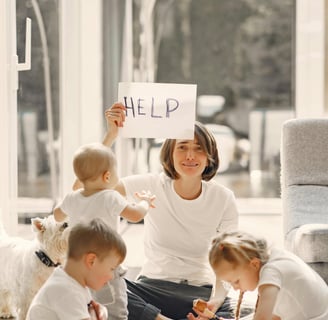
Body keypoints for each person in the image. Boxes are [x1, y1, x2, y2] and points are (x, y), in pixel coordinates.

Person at [103, 103, 243, 320]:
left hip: (201, 293)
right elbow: (89, 186)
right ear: (169, 152)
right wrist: (111, 136)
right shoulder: (151, 184)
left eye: (198, 149)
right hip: (151, 289)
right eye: (182, 147)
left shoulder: (223, 198)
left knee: (233, 312)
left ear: (209, 157)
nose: (190, 156)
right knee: (107, 286)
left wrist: (215, 303)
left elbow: (230, 261)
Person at [54, 142, 156, 320]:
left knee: (86, 306)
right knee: (115, 308)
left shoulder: (71, 198)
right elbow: (135, 215)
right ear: (107, 176)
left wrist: (64, 204)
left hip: (78, 266)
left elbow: (57, 215)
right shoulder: (110, 196)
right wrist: (145, 202)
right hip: (104, 265)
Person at [188, 230, 328, 320]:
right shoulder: (276, 257)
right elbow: (274, 317)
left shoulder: (272, 273)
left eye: (236, 281)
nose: (235, 288)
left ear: (254, 264)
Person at [27, 218, 127, 320]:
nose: (111, 276)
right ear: (91, 261)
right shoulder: (66, 291)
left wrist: (100, 312)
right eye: (111, 269)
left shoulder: (72, 283)